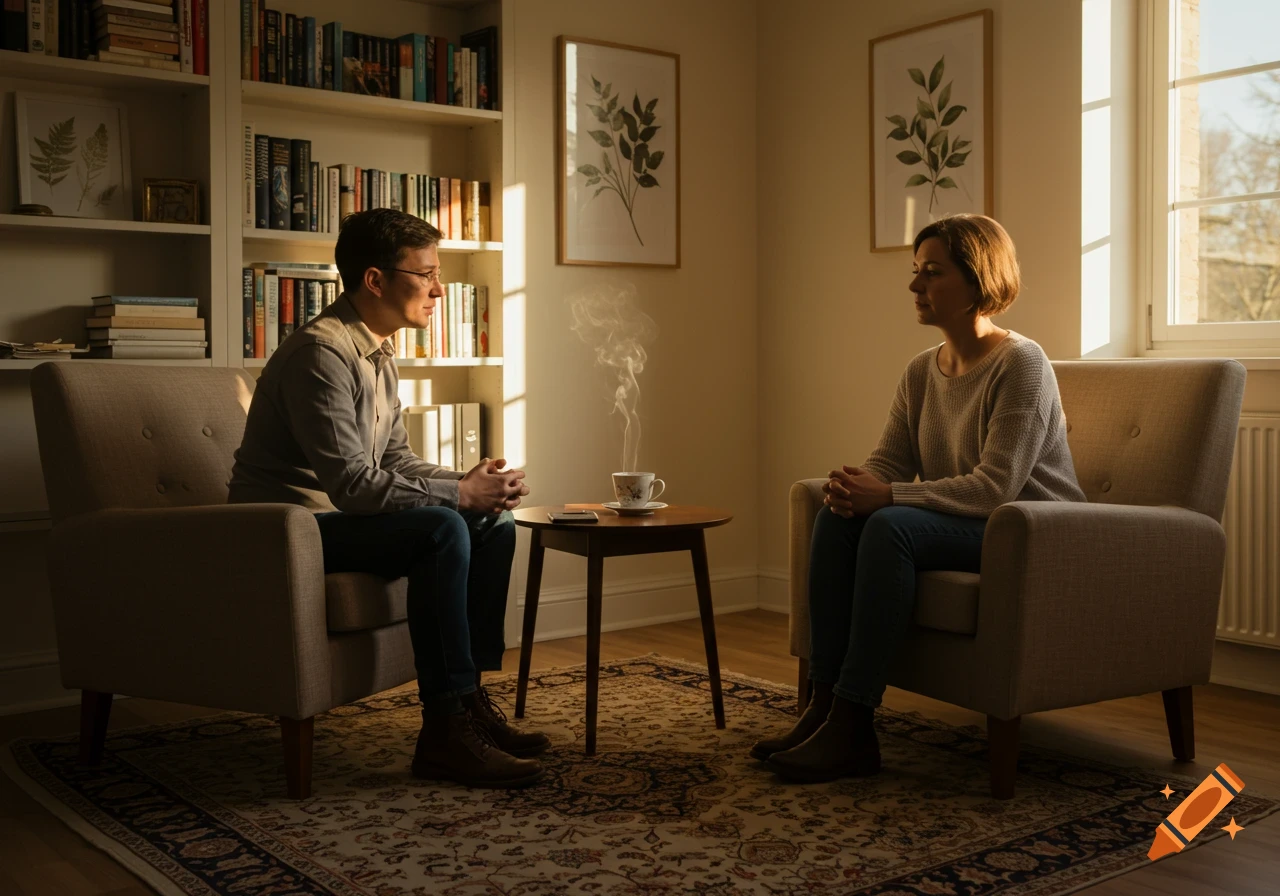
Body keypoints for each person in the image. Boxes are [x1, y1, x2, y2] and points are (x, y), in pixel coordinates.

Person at [751, 214, 1086, 783]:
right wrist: (856, 488)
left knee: (890, 525)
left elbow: (994, 488)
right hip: (968, 522)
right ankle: (825, 708)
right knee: (838, 519)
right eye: (916, 271)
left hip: (1029, 528)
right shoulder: (920, 371)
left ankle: (855, 722)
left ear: (977, 281)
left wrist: (887, 498)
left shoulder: (1022, 364)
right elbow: (890, 461)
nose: (914, 287)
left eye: (931, 273)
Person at [229, 208, 549, 789]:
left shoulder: (377, 349)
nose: (438, 289)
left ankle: (469, 701)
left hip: (333, 522)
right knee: (443, 527)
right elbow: (352, 486)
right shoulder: (321, 354)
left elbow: (395, 460)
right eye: (425, 273)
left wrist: (469, 483)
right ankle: (445, 729)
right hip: (286, 529)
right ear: (375, 280)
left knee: (494, 524)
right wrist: (458, 496)